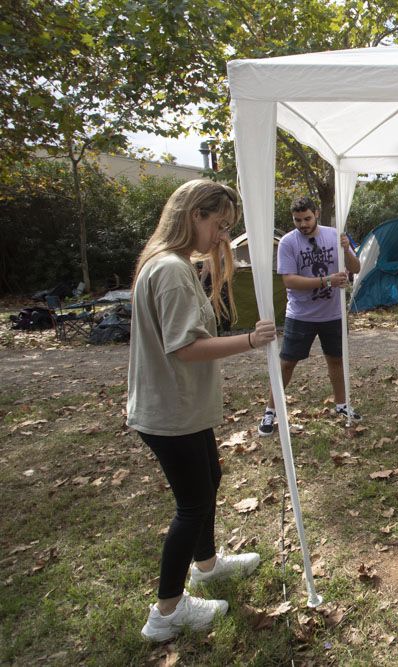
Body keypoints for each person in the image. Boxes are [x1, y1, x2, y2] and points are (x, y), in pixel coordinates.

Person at [128, 180, 277, 641]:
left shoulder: (170, 265)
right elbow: (186, 348)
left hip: (180, 408)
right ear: (195, 214)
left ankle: (207, 566)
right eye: (220, 225)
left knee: (208, 480)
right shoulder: (170, 269)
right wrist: (252, 340)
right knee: (191, 505)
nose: (223, 238)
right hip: (170, 411)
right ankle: (166, 611)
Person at [259, 196, 362, 435]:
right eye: (298, 220)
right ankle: (270, 412)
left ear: (316, 213)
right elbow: (289, 280)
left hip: (333, 314)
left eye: (307, 218)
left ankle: (341, 405)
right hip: (300, 314)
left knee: (336, 359)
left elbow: (355, 268)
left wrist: (346, 250)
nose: (303, 224)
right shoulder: (288, 242)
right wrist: (326, 280)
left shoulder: (334, 235)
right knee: (286, 364)